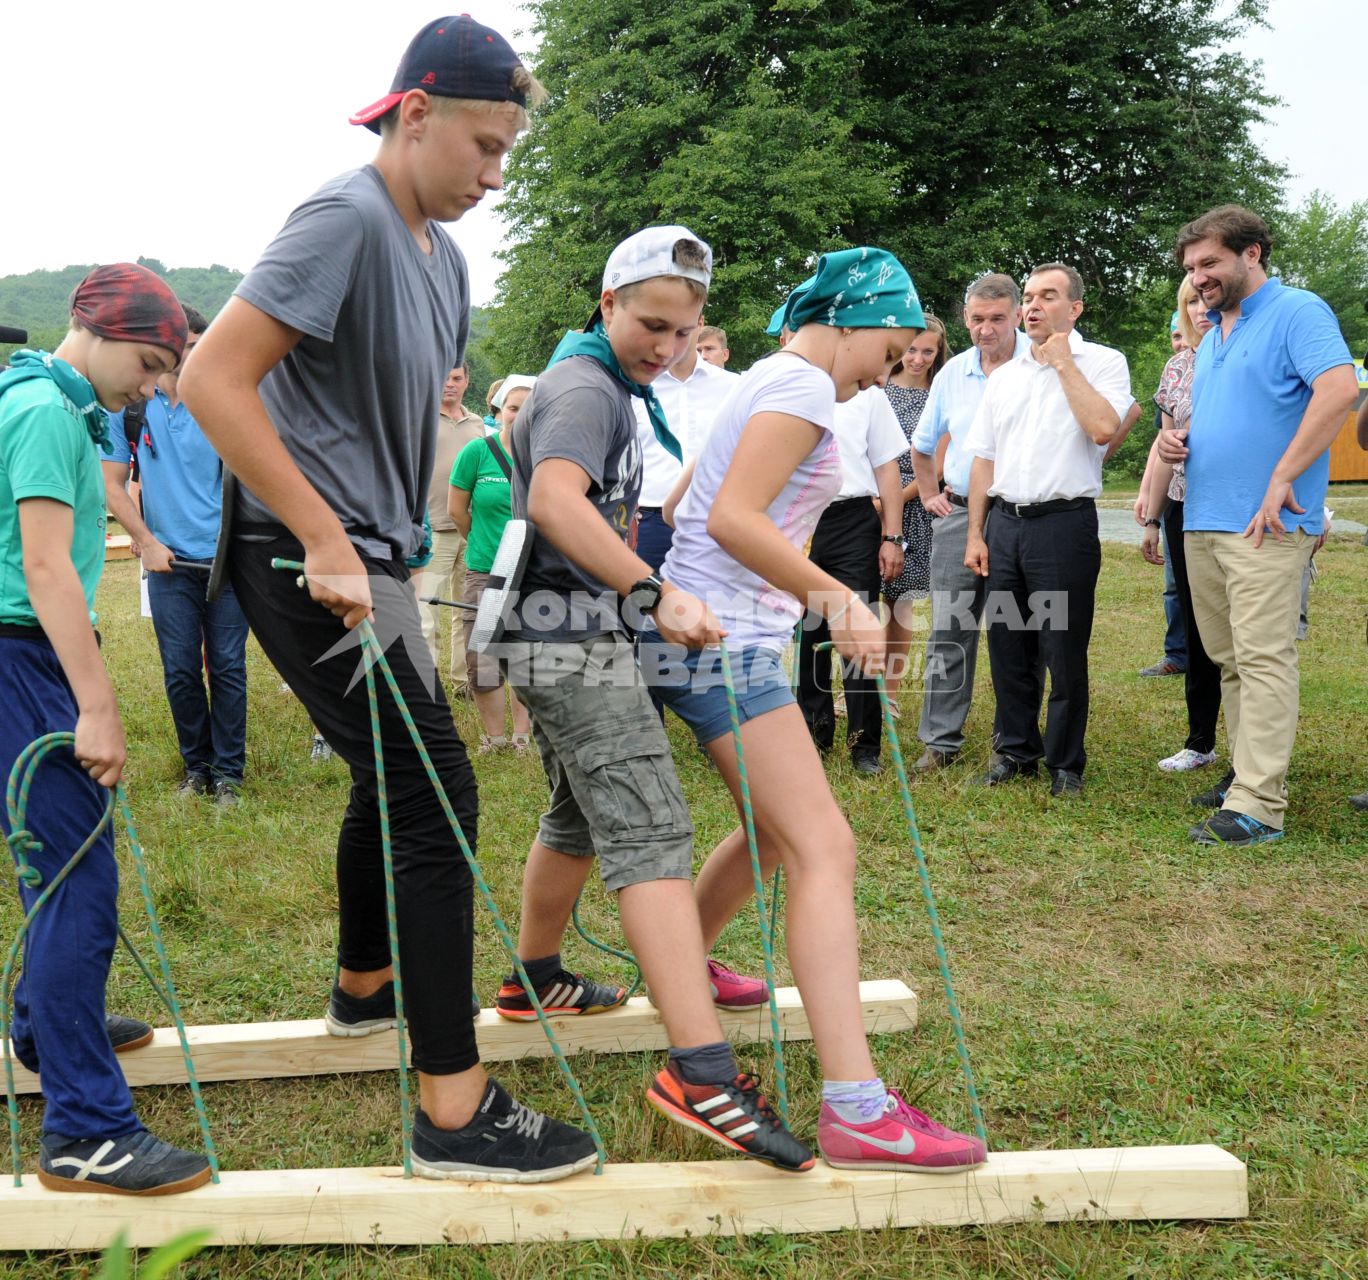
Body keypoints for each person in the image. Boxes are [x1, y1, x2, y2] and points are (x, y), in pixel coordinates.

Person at [181, 17, 598, 1183]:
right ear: (413, 112)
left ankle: (366, 986)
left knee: (394, 773)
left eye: (509, 149)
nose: (495, 172)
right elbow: (215, 378)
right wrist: (321, 534)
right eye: (483, 143)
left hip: (375, 563)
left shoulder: (444, 258)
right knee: (437, 789)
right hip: (304, 561)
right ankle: (453, 1109)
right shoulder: (344, 218)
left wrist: (384, 546)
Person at [643, 246, 986, 1173]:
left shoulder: (766, 381)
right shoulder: (796, 390)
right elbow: (729, 519)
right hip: (727, 649)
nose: (893, 360)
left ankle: (689, 960)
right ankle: (859, 1109)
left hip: (713, 633)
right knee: (823, 847)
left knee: (770, 830)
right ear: (847, 319)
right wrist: (837, 600)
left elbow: (683, 505)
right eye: (890, 340)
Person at [498, 225, 813, 1173]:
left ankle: (534, 980)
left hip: (568, 634)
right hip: (568, 641)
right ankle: (700, 1075)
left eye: (682, 333)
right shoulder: (586, 388)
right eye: (650, 324)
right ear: (606, 306)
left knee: (580, 816)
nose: (666, 346)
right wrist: (653, 590)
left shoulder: (612, 384)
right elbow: (555, 502)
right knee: (651, 827)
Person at [0, 263, 211, 1194]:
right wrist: (97, 703)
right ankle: (85, 1129)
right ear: (99, 330)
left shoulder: (46, 399)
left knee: (52, 863)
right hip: (26, 655)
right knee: (78, 881)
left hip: (26, 651)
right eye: (153, 361)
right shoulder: (45, 411)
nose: (157, 384)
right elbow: (44, 568)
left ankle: (45, 1028)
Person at [1160, 205, 1357, 845]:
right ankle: (1248, 776)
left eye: (1210, 262)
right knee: (1229, 659)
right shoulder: (1212, 333)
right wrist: (1176, 445)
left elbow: (1336, 391)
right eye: (1191, 268)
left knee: (1265, 658)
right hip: (1205, 520)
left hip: (1268, 523)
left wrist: (1283, 477)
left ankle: (1259, 806)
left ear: (1253, 253)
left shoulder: (1296, 310)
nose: (1199, 278)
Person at [963, 263, 1132, 797]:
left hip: (1063, 527)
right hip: (1005, 528)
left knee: (1062, 647)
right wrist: (976, 532)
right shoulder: (1005, 376)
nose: (1033, 306)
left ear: (1074, 309)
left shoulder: (1103, 363)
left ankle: (1065, 764)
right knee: (1009, 646)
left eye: (1048, 296)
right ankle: (1016, 752)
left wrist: (1063, 364)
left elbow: (1105, 428)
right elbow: (984, 460)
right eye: (1029, 297)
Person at [102, 305, 250, 808]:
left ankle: (229, 773)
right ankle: (197, 767)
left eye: (195, 344)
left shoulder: (224, 399)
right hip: (167, 562)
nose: (186, 355)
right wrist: (146, 541)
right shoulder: (129, 409)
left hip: (227, 559)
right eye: (178, 345)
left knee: (227, 665)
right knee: (181, 669)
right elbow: (112, 486)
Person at [907, 273, 1030, 772]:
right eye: (977, 319)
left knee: (1017, 626)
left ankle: (1014, 740)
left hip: (1016, 514)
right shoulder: (953, 373)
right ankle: (940, 741)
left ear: (1017, 316)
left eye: (997, 319)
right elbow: (921, 443)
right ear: (965, 318)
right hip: (957, 514)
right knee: (950, 627)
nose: (986, 329)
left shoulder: (1038, 365)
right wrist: (932, 495)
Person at [796, 376, 906, 775]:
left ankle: (864, 746)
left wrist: (892, 536)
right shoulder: (791, 384)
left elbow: (887, 467)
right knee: (810, 633)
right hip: (802, 518)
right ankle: (814, 735)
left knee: (858, 629)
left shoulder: (870, 396)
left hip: (853, 519)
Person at [1137, 280, 1222, 772]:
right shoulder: (1177, 367)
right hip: (1186, 510)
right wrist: (1152, 518)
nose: (1200, 306)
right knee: (1197, 628)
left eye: (1205, 295)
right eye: (1190, 300)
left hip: (1244, 510)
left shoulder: (1247, 355)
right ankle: (1200, 740)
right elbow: (1166, 445)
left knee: (1243, 637)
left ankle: (1255, 756)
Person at [448, 375, 533, 753]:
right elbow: (457, 509)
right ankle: (494, 738)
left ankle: (523, 737)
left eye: (529, 407)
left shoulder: (548, 454)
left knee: (527, 652)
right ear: (499, 410)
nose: (521, 414)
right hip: (486, 567)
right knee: (482, 654)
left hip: (534, 569)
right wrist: (483, 542)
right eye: (514, 407)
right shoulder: (476, 453)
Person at [630, 319, 738, 573]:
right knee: (646, 607)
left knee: (713, 608)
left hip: (714, 519)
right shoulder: (637, 386)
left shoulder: (732, 386)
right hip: (650, 519)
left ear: (700, 322)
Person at [881, 316, 949, 701]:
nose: (918, 358)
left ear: (938, 353)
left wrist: (892, 498)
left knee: (901, 605)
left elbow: (936, 466)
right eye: (911, 349)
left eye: (928, 351)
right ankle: (857, 690)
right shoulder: (878, 389)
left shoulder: (940, 395)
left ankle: (888, 693)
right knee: (869, 601)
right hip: (870, 500)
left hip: (914, 500)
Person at [419, 363, 484, 686]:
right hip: (432, 528)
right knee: (427, 611)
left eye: (456, 378)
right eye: (444, 377)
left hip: (472, 529)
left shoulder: (478, 426)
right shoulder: (420, 418)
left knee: (466, 609)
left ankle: (465, 682)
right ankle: (427, 686)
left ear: (466, 382)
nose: (450, 384)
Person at [1135, 310, 1190, 679]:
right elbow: (1162, 445)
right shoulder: (1174, 376)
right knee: (1174, 583)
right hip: (1175, 493)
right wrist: (1146, 495)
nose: (1180, 340)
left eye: (1183, 332)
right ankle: (1178, 653)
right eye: (1174, 335)